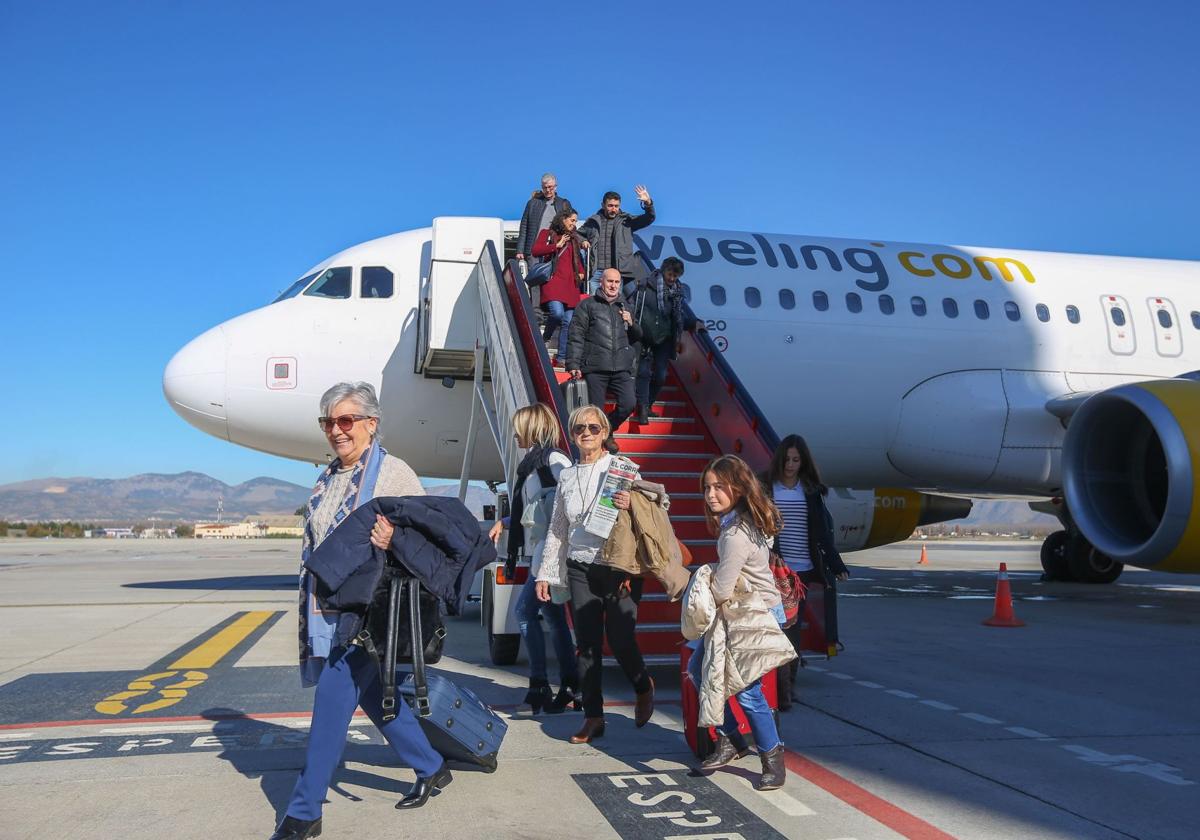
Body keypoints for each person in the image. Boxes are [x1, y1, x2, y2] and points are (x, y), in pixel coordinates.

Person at [271, 382, 447, 840]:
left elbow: (433, 539)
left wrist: (396, 540)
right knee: (372, 698)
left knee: (331, 700)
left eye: (346, 420)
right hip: (331, 610)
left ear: (371, 424)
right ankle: (431, 765)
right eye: (328, 421)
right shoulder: (329, 477)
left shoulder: (395, 475)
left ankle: (305, 811)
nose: (336, 430)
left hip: (372, 612)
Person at [535, 405, 653, 744]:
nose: (586, 433)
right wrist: (546, 573)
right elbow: (558, 528)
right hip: (579, 566)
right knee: (586, 645)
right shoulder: (567, 477)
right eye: (578, 429)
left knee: (620, 638)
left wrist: (634, 503)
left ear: (605, 432)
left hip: (619, 565)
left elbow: (661, 507)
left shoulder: (624, 469)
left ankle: (643, 685)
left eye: (593, 428)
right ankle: (593, 716)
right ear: (572, 436)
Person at [687, 454, 792, 791]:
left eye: (719, 486)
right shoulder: (737, 521)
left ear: (739, 487)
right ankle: (732, 739)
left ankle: (772, 758)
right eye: (707, 487)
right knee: (696, 667)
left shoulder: (735, 534)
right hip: (746, 610)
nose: (711, 494)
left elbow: (720, 590)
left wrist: (696, 584)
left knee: (748, 693)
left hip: (754, 616)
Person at [488, 404, 578, 713]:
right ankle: (570, 687)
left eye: (519, 427)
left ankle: (539, 687)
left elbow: (564, 505)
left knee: (524, 612)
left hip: (550, 555)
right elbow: (536, 509)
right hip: (541, 551)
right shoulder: (535, 465)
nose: (515, 433)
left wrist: (552, 558)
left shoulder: (553, 461)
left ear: (533, 428)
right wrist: (508, 522)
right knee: (553, 619)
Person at [761, 434, 849, 710]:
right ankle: (779, 688)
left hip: (803, 571)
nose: (790, 465)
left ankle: (787, 688)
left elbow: (822, 533)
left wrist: (836, 564)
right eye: (786, 459)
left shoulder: (810, 490)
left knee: (792, 632)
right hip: (777, 572)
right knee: (779, 629)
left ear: (803, 462)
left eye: (796, 460)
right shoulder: (767, 488)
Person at [565, 268, 643, 454]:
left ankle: (607, 431)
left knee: (629, 403)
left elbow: (638, 336)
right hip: (596, 366)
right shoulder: (588, 305)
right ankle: (602, 443)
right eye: (610, 282)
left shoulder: (625, 306)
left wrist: (631, 323)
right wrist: (573, 364)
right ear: (601, 282)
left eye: (617, 282)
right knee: (595, 411)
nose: (613, 286)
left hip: (621, 367)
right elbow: (576, 335)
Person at [625, 256, 704, 423]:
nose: (671, 279)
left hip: (664, 339)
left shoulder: (676, 293)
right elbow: (632, 305)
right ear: (663, 270)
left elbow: (679, 317)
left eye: (675, 276)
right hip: (644, 336)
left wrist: (695, 322)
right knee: (644, 372)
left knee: (661, 375)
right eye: (669, 274)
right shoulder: (646, 286)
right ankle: (643, 408)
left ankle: (649, 403)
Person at [531, 209, 588, 364]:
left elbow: (576, 259)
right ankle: (546, 337)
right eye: (572, 220)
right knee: (557, 313)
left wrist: (582, 272)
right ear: (563, 219)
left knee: (568, 322)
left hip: (571, 284)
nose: (574, 223)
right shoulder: (547, 233)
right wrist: (556, 245)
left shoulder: (574, 238)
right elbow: (535, 251)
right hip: (553, 282)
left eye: (575, 221)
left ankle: (562, 357)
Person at [580, 186, 655, 294]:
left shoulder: (627, 221)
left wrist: (648, 203)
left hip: (616, 272)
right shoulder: (593, 221)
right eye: (610, 206)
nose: (613, 209)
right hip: (596, 271)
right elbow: (577, 234)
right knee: (593, 305)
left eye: (616, 206)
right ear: (603, 205)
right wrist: (583, 240)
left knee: (613, 306)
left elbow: (649, 218)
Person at [516, 172, 575, 263]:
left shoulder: (563, 204)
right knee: (534, 276)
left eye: (550, 187)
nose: (547, 190)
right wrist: (520, 250)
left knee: (553, 276)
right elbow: (524, 226)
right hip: (534, 250)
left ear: (555, 187)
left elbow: (572, 225)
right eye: (545, 187)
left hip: (555, 249)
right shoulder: (532, 203)